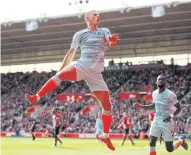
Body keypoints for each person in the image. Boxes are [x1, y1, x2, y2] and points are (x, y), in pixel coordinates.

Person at [25, 10, 119, 151]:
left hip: (96, 74)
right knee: (60, 76)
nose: (97, 16)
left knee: (107, 107)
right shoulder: (79, 35)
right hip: (81, 67)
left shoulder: (104, 31)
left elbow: (111, 43)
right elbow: (71, 54)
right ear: (87, 18)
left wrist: (111, 42)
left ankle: (105, 136)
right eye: (94, 14)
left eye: (98, 14)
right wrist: (61, 71)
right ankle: (36, 97)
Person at [134, 75, 188, 155]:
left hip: (167, 122)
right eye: (159, 79)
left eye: (162, 80)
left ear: (165, 82)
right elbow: (153, 106)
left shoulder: (170, 94)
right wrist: (141, 106)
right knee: (152, 142)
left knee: (169, 149)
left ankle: (181, 140)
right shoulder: (154, 93)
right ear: (156, 82)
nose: (160, 81)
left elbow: (179, 108)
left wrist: (171, 116)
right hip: (156, 120)